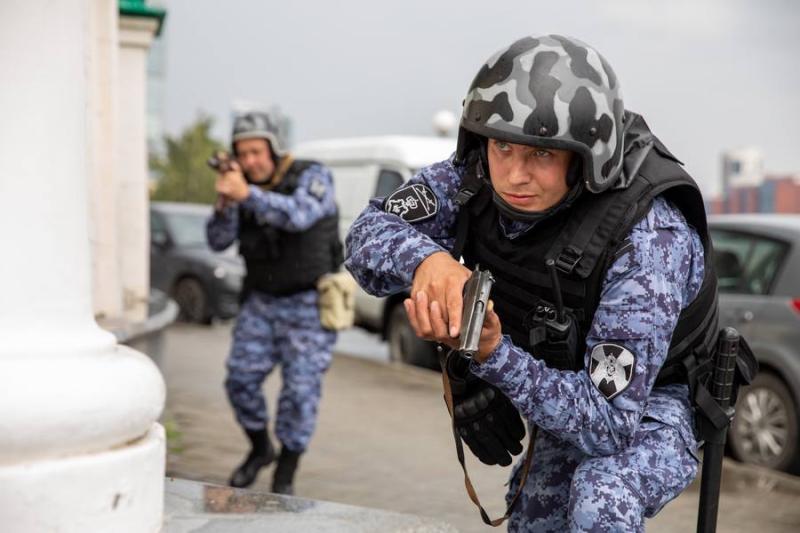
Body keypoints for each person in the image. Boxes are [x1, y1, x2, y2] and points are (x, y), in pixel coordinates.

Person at [345, 34, 719, 532]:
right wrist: (428, 262)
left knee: (600, 497)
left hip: (652, 402)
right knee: (536, 517)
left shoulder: (649, 238)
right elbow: (364, 238)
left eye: (541, 155)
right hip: (559, 374)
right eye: (504, 146)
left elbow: (606, 424)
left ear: (584, 158)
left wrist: (493, 357)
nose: (515, 175)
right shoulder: (472, 173)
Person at [206, 110, 343, 494]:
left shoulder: (312, 175)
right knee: (240, 381)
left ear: (274, 147)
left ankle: (286, 471)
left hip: (308, 307)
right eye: (242, 154)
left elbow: (300, 216)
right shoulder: (241, 189)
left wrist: (247, 194)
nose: (250, 161)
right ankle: (260, 449)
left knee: (300, 394)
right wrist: (225, 200)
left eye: (256, 151)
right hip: (261, 303)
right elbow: (217, 240)